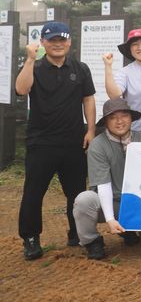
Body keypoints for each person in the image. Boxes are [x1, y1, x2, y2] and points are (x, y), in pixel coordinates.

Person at [15, 21, 96, 260]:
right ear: (43, 43)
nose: (58, 44)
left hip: (73, 142)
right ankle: (30, 238)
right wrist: (29, 59)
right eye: (52, 40)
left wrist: (90, 130)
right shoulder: (35, 67)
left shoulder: (80, 68)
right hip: (41, 142)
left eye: (62, 40)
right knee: (33, 192)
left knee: (77, 193)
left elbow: (88, 99)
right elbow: (21, 89)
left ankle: (77, 233)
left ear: (69, 41)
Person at [72, 98, 141, 259]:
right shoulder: (98, 145)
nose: (119, 121)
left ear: (131, 118)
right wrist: (109, 219)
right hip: (112, 202)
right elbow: (103, 185)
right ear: (106, 122)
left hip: (139, 202)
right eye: (113, 117)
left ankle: (131, 229)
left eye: (124, 116)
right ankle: (92, 241)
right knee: (84, 200)